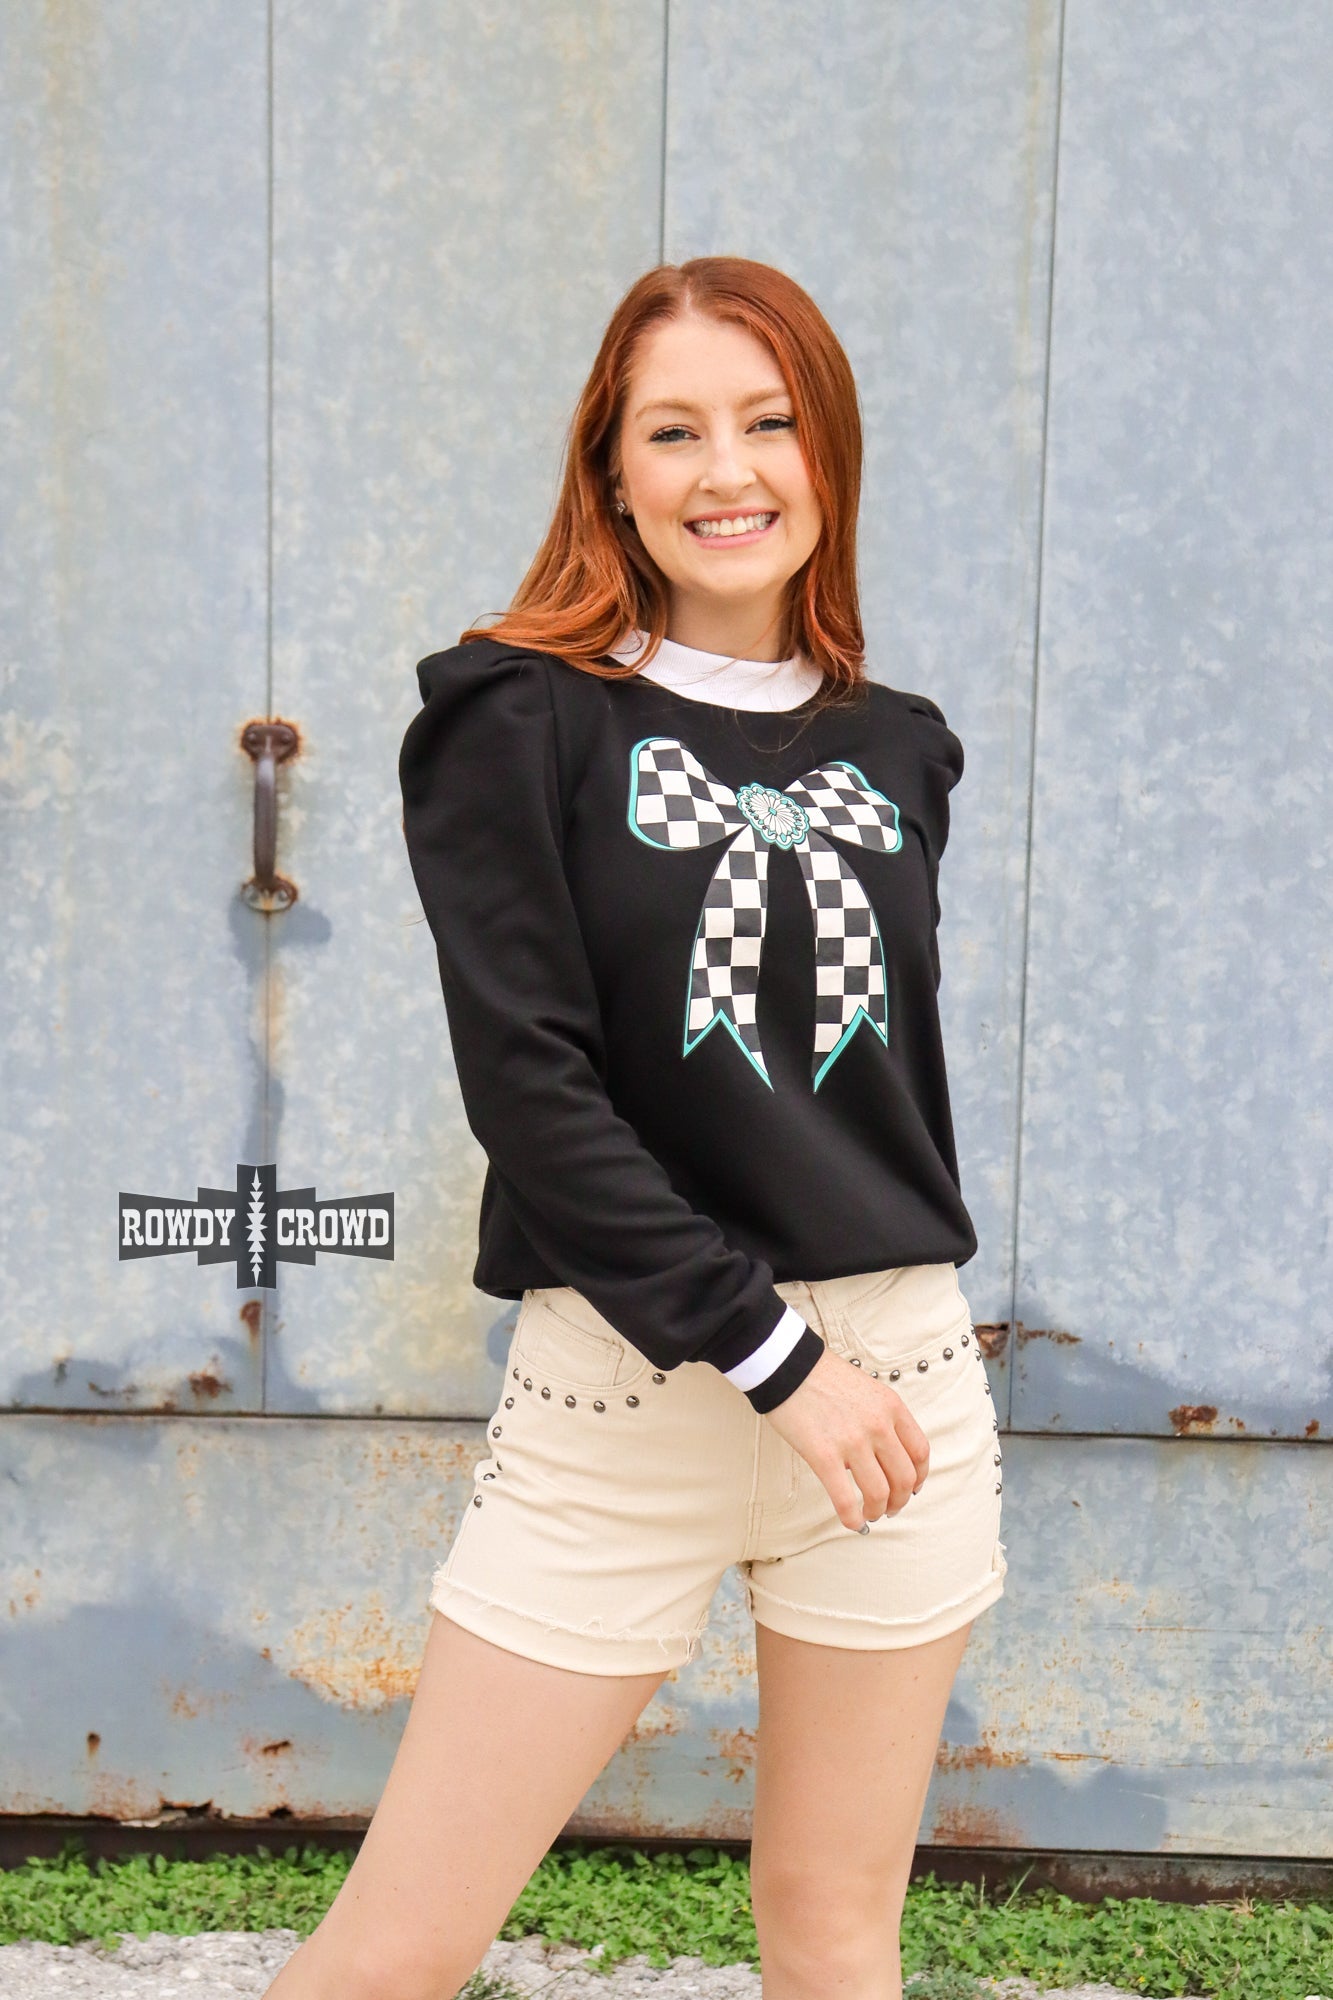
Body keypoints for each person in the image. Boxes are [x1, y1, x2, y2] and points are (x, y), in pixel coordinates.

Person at [266, 255, 1006, 2000]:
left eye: (767, 423)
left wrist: (837, 1370)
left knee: (835, 1934)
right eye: (671, 431)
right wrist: (768, 1357)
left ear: (826, 456)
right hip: (631, 1395)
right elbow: (536, 1096)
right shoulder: (514, 719)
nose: (723, 470)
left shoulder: (900, 748)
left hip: (896, 1390)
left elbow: (853, 1102)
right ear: (609, 470)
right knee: (396, 1951)